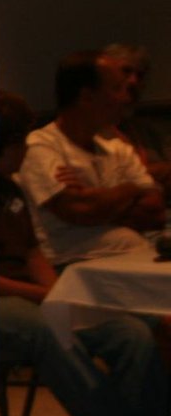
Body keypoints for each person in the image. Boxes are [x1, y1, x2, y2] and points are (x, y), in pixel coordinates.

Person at [0, 91, 168, 416]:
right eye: (22, 142)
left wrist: (56, 293)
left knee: (129, 331)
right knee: (47, 331)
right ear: (6, 145)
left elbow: (33, 252)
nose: (28, 150)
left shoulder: (11, 188)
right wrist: (45, 297)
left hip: (33, 291)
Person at [17, 49, 166, 267]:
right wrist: (131, 190)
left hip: (130, 262)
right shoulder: (41, 147)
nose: (125, 98)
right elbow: (80, 210)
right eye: (117, 89)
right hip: (76, 268)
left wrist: (98, 201)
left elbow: (155, 211)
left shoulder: (116, 149)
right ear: (86, 97)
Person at [102, 42, 171, 193]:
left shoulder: (147, 131)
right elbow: (109, 181)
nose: (133, 80)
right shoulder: (88, 130)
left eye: (140, 75)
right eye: (125, 71)